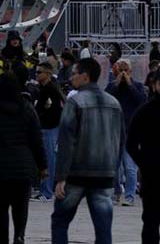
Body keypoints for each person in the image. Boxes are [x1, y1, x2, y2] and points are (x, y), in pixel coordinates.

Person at [51, 57, 124, 244]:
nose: (71, 78)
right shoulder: (114, 103)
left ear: (85, 76)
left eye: (74, 74)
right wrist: (114, 171)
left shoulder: (75, 102)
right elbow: (120, 140)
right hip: (104, 174)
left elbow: (66, 140)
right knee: (103, 228)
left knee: (60, 221)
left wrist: (60, 177)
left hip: (77, 173)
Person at [0, 72, 46, 244]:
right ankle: (19, 235)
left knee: (0, 210)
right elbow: (36, 140)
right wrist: (42, 166)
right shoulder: (27, 109)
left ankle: (2, 240)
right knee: (21, 207)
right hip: (23, 167)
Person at [104, 57, 146, 206]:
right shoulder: (112, 86)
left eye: (125, 70)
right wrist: (117, 83)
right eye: (120, 70)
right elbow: (106, 100)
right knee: (114, 166)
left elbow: (141, 101)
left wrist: (129, 84)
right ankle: (116, 194)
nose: (123, 73)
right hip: (114, 130)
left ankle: (129, 196)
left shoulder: (138, 86)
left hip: (131, 131)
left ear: (131, 72)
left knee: (130, 166)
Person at [127, 72, 160, 244]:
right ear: (155, 85)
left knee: (150, 223)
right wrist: (146, 163)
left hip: (151, 173)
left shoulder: (144, 111)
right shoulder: (145, 111)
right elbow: (131, 143)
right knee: (151, 223)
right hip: (152, 176)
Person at [33, 62, 65, 202]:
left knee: (49, 159)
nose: (36, 74)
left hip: (49, 128)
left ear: (47, 74)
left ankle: (47, 191)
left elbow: (54, 110)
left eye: (39, 72)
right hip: (48, 127)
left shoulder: (50, 89)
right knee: (48, 158)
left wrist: (42, 119)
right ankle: (45, 189)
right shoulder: (45, 88)